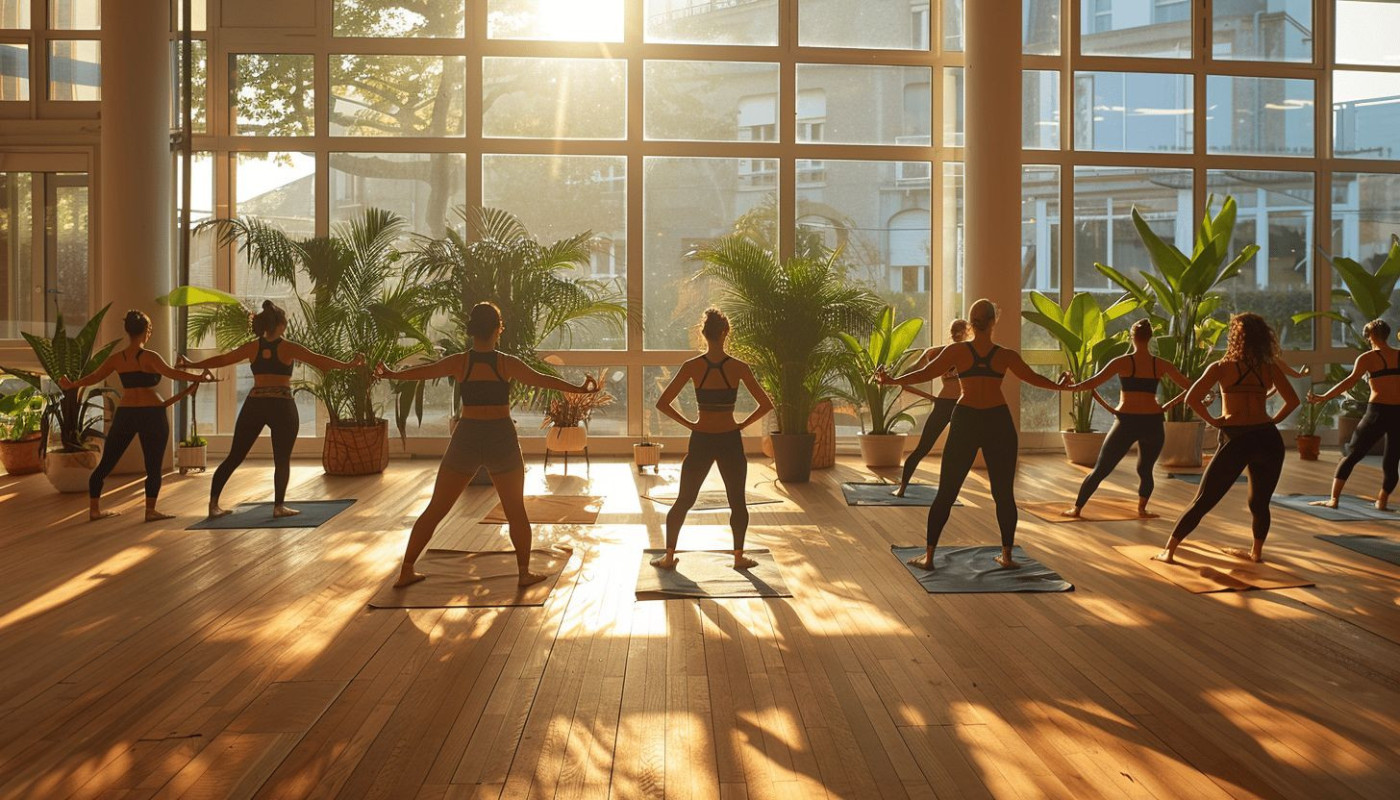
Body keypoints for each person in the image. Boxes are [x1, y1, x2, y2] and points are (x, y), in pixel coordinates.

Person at [379, 302, 601, 588]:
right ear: (499, 329)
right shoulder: (506, 363)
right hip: (500, 437)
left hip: (467, 436)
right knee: (515, 510)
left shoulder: (461, 362)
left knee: (436, 507)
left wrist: (390, 374)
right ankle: (523, 573)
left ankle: (406, 570)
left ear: (472, 330)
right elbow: (542, 380)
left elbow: (424, 372)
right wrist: (579, 389)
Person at [877, 299, 1070, 571]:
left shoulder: (958, 352)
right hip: (998, 421)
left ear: (970, 323)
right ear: (993, 322)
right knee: (1004, 494)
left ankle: (929, 557)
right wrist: (1061, 386)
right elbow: (1034, 378)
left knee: (946, 491)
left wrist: (891, 380)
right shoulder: (1005, 355)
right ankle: (1007, 556)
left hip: (966, 419)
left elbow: (924, 373)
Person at [180, 300, 363, 519]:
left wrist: (190, 364)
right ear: (281, 324)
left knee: (234, 456)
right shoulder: (288, 347)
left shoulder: (253, 346)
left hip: (255, 403)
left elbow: (223, 359)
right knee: (282, 458)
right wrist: (349, 365)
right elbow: (319, 361)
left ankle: (213, 505)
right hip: (281, 405)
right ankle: (278, 506)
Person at [1155, 313, 1300, 564]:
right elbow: (1293, 401)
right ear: (1262, 339)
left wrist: (1213, 420)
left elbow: (1192, 398)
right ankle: (1256, 553)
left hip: (1237, 437)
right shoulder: (1270, 368)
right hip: (1267, 439)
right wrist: (1272, 421)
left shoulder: (1221, 367)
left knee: (1203, 500)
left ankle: (1169, 551)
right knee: (1259, 503)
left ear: (1235, 338)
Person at [651, 308, 775, 570]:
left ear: (703, 334)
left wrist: (690, 424)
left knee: (684, 499)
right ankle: (739, 558)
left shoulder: (693, 366)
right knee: (737, 501)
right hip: (730, 438)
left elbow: (662, 403)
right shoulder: (739, 367)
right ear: (725, 332)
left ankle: (669, 556)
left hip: (702, 439)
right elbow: (766, 404)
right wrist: (741, 424)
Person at [61, 309, 215, 521]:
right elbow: (173, 374)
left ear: (128, 331)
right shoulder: (150, 357)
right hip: (152, 414)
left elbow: (94, 376)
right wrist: (200, 377)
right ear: (146, 331)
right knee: (153, 466)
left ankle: (94, 510)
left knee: (106, 463)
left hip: (127, 413)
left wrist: (72, 384)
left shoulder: (117, 359)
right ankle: (150, 511)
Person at [1060, 319, 1190, 518]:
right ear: (1150, 338)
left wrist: (1069, 386)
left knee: (1101, 469)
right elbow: (1191, 386)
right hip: (1153, 422)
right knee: (1145, 470)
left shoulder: (1122, 362)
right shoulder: (1161, 364)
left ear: (1132, 337)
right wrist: (1168, 405)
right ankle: (1142, 509)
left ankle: (1076, 509)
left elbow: (1092, 383)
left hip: (1127, 422)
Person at [1305, 318, 1400, 511]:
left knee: (1352, 454)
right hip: (1398, 413)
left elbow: (1349, 382)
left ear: (1370, 336)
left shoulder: (1367, 358)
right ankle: (1381, 501)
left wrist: (1324, 397)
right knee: (1392, 461)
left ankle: (1334, 499)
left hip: (1378, 412)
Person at [892, 319, 969, 497]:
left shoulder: (941, 352)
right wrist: (930, 397)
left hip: (955, 405)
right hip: (956, 405)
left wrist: (931, 398)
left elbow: (907, 380)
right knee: (936, 449)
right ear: (967, 332)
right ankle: (904, 488)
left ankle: (903, 489)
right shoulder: (939, 353)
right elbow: (907, 379)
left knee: (927, 448)